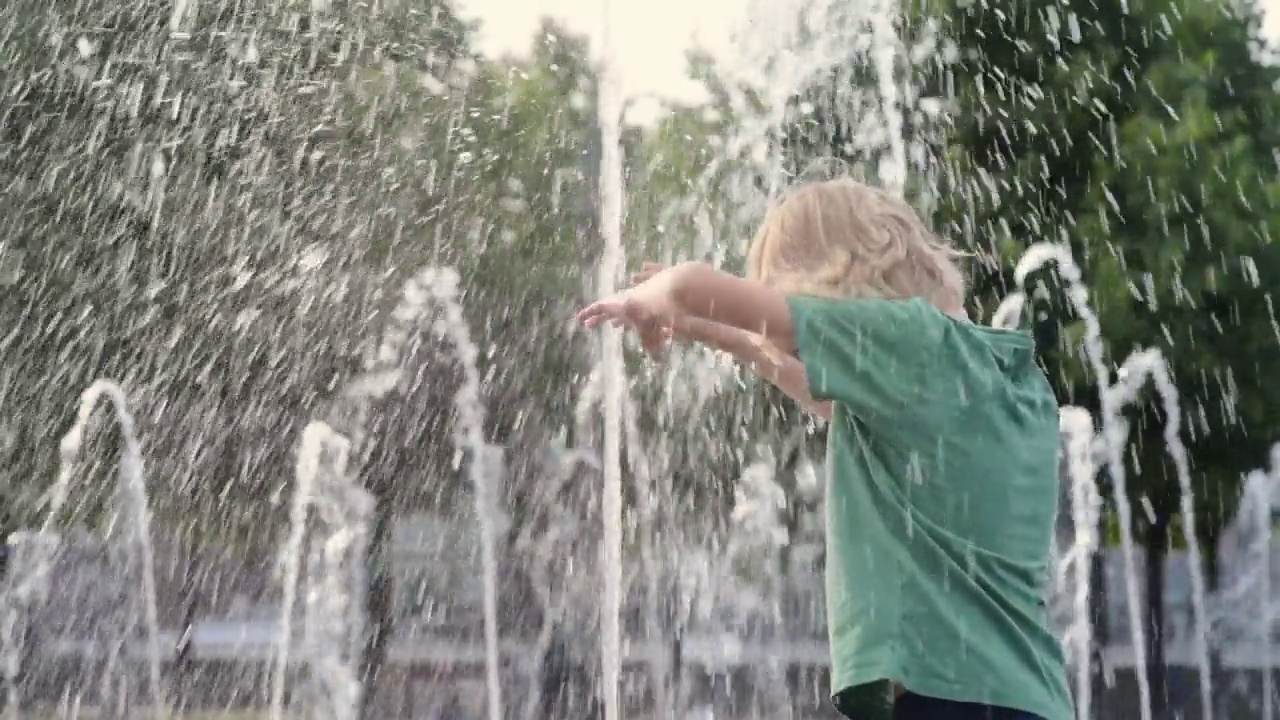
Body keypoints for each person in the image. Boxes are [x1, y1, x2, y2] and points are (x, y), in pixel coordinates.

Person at [575, 179, 1073, 720]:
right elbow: (822, 396)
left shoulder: (910, 340)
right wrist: (715, 332)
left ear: (829, 280)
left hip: (951, 698)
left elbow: (695, 283)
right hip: (1022, 698)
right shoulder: (1001, 379)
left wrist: (655, 296)